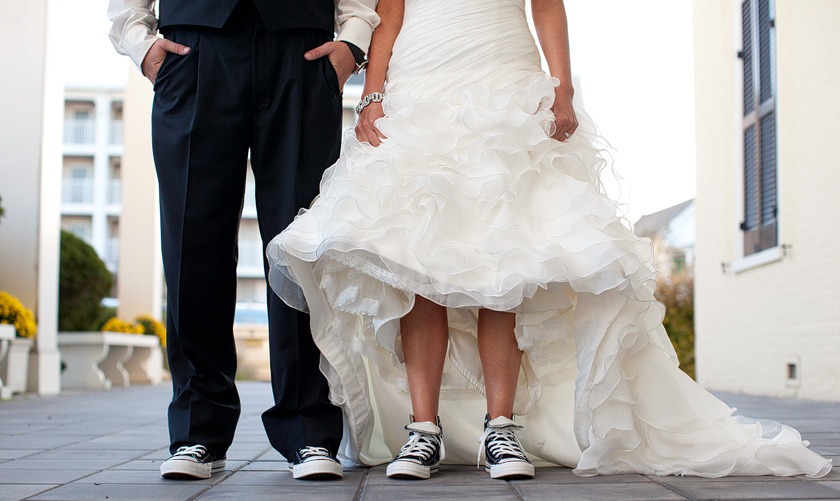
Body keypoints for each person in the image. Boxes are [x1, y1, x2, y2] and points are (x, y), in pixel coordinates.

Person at [269, 0, 832, 482]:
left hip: (504, 79)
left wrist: (559, 90)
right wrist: (371, 96)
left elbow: (546, 4)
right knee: (417, 255)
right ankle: (423, 430)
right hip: (422, 82)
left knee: (504, 254)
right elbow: (389, 12)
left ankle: (501, 428)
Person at [107, 0, 378, 481]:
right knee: (193, 244)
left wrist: (352, 41)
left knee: (299, 246)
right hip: (193, 52)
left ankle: (309, 428)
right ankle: (197, 430)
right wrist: (141, 43)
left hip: (303, 51)